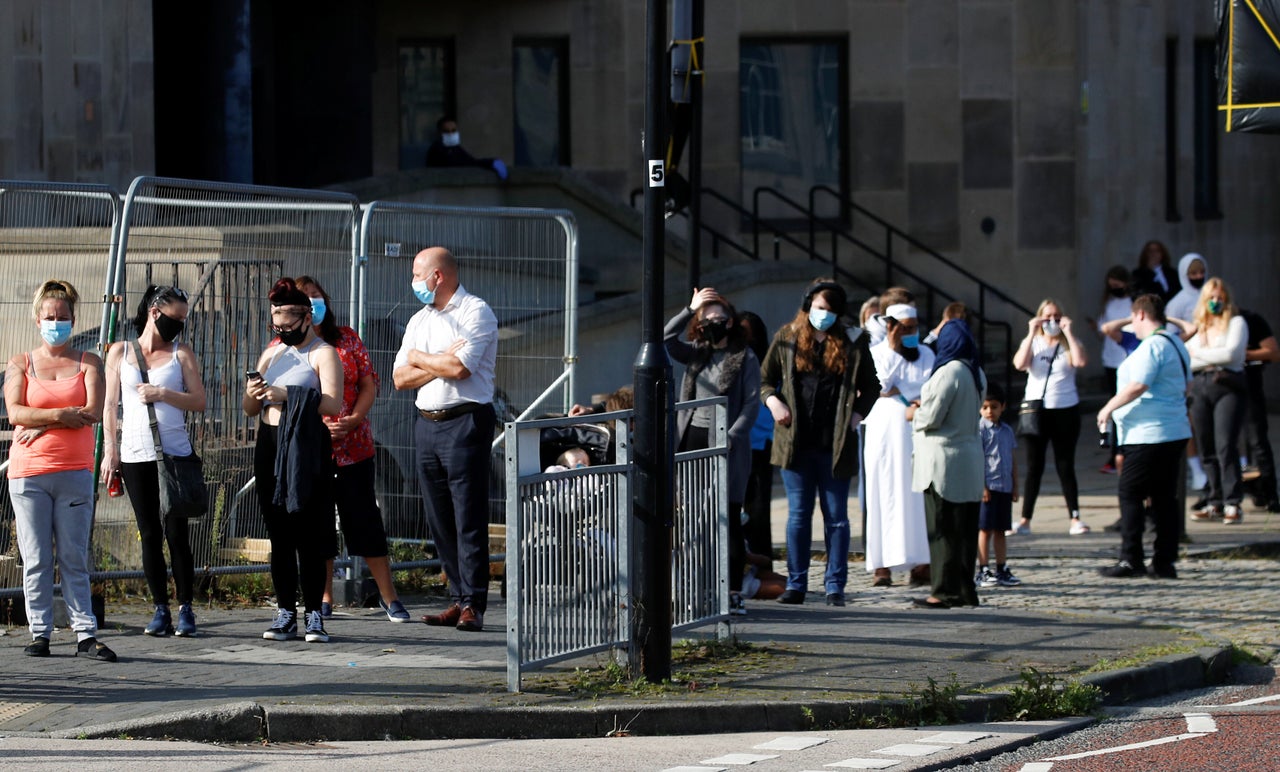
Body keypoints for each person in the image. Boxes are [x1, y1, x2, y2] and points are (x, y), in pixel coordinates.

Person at [5, 279, 115, 661]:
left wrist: (41, 423)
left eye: (63, 317)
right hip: (29, 473)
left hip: (74, 472)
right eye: (50, 317)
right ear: (38, 319)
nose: (56, 322)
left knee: (73, 556)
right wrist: (57, 416)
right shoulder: (21, 363)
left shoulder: (89, 362)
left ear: (73, 319)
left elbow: (92, 413)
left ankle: (85, 632)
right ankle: (41, 632)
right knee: (36, 558)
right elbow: (15, 412)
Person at [293, 276, 411, 623]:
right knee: (318, 526)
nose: (312, 305)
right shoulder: (287, 347)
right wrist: (319, 427)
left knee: (365, 521)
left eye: (316, 298)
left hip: (355, 447)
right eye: (304, 301)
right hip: (312, 450)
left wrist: (354, 418)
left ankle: (389, 598)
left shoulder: (346, 338)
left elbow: (368, 383)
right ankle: (324, 596)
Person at [393, 246, 499, 632]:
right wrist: (430, 357)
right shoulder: (419, 320)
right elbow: (399, 378)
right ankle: (457, 596)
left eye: (417, 274)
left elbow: (460, 367)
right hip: (427, 422)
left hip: (465, 422)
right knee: (439, 518)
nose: (413, 283)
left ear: (438, 276)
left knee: (468, 516)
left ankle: (473, 602)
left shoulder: (475, 312)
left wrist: (422, 359)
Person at [760, 278, 880, 606]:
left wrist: (856, 417)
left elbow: (872, 387)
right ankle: (796, 584)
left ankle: (834, 585)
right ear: (808, 305)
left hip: (834, 445)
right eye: (817, 308)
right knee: (799, 514)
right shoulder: (787, 338)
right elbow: (765, 379)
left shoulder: (852, 343)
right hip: (796, 442)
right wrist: (774, 403)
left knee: (837, 516)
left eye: (828, 310)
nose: (822, 314)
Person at [101, 285, 207, 638]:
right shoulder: (120, 352)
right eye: (175, 318)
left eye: (183, 319)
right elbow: (110, 405)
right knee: (149, 532)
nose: (179, 325)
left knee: (178, 533)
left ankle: (186, 608)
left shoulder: (182, 354)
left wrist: (163, 394)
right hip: (135, 454)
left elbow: (199, 401)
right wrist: (110, 449)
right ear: (155, 312)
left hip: (173, 452)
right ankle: (160, 607)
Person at [243, 278, 344, 643]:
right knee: (279, 534)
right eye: (276, 326)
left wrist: (289, 394)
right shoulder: (271, 354)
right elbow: (250, 408)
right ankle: (286, 610)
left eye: (288, 326)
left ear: (305, 319)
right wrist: (255, 393)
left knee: (310, 532)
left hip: (305, 446)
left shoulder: (323, 353)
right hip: (270, 442)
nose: (282, 332)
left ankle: (314, 613)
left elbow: (333, 404)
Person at [664, 288, 761, 614]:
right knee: (691, 517)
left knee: (728, 516)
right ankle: (694, 587)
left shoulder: (744, 357)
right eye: (706, 319)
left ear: (731, 321)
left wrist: (733, 435)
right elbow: (664, 340)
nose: (713, 323)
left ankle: (733, 591)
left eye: (719, 318)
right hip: (693, 436)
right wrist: (689, 308)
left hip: (728, 444)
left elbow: (751, 403)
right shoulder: (697, 352)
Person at [1096, 294, 1192, 579]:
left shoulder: (1153, 346)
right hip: (1172, 430)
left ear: (1139, 315)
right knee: (1164, 498)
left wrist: (1108, 408)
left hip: (1148, 434)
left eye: (1133, 319)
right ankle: (1164, 561)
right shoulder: (1176, 342)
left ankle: (1131, 558)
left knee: (1131, 494)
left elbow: (1138, 385)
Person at [906, 319, 986, 609]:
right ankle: (965, 590)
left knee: (942, 530)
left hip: (943, 462)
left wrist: (913, 413)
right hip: (969, 461)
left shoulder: (948, 371)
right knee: (965, 531)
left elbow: (932, 416)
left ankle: (942, 591)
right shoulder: (976, 371)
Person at [862, 302, 934, 588]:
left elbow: (928, 385)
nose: (911, 334)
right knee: (884, 493)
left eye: (914, 328)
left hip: (917, 427)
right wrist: (892, 350)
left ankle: (920, 561)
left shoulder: (926, 354)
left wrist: (910, 396)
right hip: (886, 431)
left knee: (916, 496)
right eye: (905, 329)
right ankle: (882, 565)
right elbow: (881, 386)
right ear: (892, 328)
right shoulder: (878, 353)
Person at [1011, 298, 1090, 536]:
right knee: (1034, 466)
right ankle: (1025, 519)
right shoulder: (1034, 342)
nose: (1052, 322)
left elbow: (1080, 361)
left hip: (1065, 409)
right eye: (1048, 317)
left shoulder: (1069, 343)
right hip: (1037, 410)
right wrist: (1031, 331)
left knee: (1065, 464)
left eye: (1056, 317)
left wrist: (1068, 332)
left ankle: (1075, 518)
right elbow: (1019, 364)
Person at [1185, 277, 1249, 523]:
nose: (1215, 301)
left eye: (1220, 297)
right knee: (1206, 445)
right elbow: (1188, 360)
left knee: (1226, 444)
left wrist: (1200, 354)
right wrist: (1209, 358)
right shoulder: (1198, 327)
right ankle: (1215, 499)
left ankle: (1233, 501)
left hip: (1226, 386)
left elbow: (1232, 355)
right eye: (1211, 297)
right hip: (1200, 386)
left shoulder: (1236, 323)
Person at [1165, 252, 1211, 491]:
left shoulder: (1212, 295)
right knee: (1192, 419)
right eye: (1193, 273)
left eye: (1201, 272)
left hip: (1214, 360)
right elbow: (1171, 336)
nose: (1198, 277)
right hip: (1190, 362)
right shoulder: (1178, 302)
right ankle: (1196, 469)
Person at [738, 311, 776, 566]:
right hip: (736, 444)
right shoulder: (731, 362)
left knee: (759, 509)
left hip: (761, 445)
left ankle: (762, 564)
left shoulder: (769, 366)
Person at [975, 383, 1020, 589]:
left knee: (1001, 529)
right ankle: (983, 568)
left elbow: (1012, 458)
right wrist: (982, 486)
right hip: (989, 486)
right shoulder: (980, 430)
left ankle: (1002, 567)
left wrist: (1015, 485)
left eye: (994, 406)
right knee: (985, 529)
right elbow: (978, 458)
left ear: (1002, 407)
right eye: (985, 407)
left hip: (1004, 486)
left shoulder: (1007, 431)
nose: (989, 411)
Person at [1239, 308, 1280, 512]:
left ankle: (1270, 493)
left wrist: (1239, 353)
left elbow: (1272, 352)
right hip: (1218, 387)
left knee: (1257, 441)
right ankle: (1218, 495)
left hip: (1248, 384)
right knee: (1221, 444)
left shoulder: (1250, 319)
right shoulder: (1207, 321)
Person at [1094, 266, 1134, 474]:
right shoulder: (1108, 303)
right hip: (1110, 359)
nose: (1114, 288)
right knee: (1114, 406)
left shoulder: (1132, 303)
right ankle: (1115, 452)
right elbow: (1103, 329)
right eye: (1111, 285)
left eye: (1117, 284)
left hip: (1125, 359)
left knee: (1123, 407)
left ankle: (1122, 452)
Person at [425, 116, 509, 180]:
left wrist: (491, 162)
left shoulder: (455, 148)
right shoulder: (436, 149)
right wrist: (490, 163)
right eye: (447, 131)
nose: (451, 134)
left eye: (453, 130)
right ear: (439, 133)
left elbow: (471, 161)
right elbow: (458, 163)